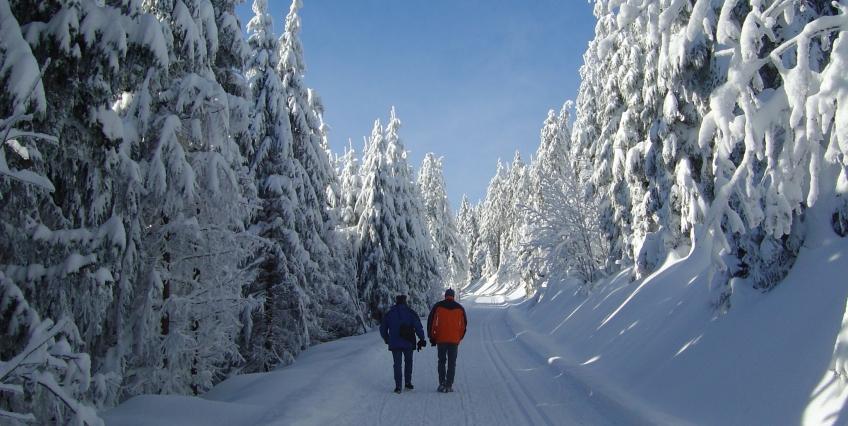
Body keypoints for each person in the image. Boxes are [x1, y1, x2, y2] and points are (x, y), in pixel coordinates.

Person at [380, 295, 427, 394]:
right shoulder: (411, 313)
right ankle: (408, 383)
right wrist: (422, 338)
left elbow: (382, 328)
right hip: (408, 342)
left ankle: (398, 386)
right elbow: (418, 326)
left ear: (396, 302)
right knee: (408, 362)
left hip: (395, 343)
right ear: (405, 302)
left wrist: (387, 339)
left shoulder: (390, 313)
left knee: (397, 364)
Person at [427, 288, 467, 393]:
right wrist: (459, 337)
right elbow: (463, 326)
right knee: (452, 363)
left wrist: (432, 336)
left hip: (441, 339)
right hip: (454, 340)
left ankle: (441, 383)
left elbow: (431, 322)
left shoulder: (438, 306)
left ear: (445, 295)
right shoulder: (460, 308)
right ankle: (449, 385)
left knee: (441, 361)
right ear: (453, 296)